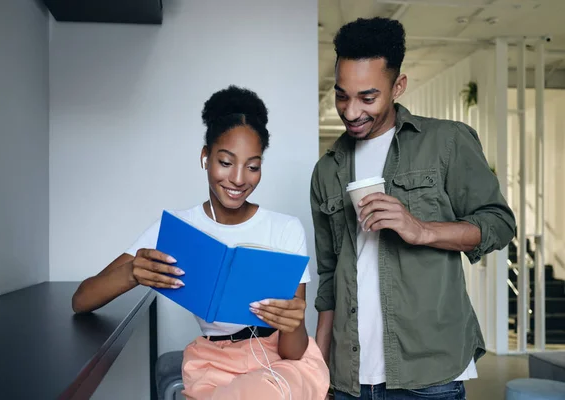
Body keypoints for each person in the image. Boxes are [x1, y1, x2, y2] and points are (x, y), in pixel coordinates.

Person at [72, 86, 329, 400]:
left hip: (279, 363)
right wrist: (132, 274)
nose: (238, 179)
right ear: (205, 157)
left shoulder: (286, 229)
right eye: (225, 162)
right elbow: (81, 300)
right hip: (213, 361)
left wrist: (293, 322)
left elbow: (292, 351)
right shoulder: (178, 230)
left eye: (252, 166)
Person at [310, 18, 516, 400]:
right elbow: (329, 278)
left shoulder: (446, 142)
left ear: (398, 86)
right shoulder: (327, 169)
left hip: (429, 374)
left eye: (367, 97)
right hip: (348, 378)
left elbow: (499, 223)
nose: (351, 112)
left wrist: (422, 229)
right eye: (342, 95)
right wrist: (318, 370)